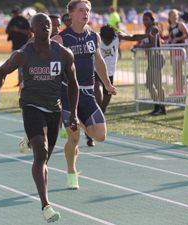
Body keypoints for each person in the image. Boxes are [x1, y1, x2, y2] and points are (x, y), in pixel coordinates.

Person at [0, 13, 79, 223]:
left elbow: (73, 83)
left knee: (45, 158)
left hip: (54, 109)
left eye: (48, 24)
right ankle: (46, 205)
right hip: (31, 106)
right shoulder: (24, 54)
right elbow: (1, 72)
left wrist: (72, 112)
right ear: (33, 30)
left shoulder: (64, 54)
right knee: (41, 152)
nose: (46, 27)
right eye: (41, 25)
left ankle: (30, 140)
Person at [52, 0, 117, 189]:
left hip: (88, 93)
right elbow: (52, 68)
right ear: (70, 14)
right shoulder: (60, 40)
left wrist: (107, 84)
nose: (85, 13)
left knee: (101, 135)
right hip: (67, 94)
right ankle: (71, 172)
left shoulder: (93, 37)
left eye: (87, 10)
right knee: (74, 138)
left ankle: (79, 122)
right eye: (81, 10)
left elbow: (98, 61)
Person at [95, 25, 147, 114]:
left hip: (110, 73)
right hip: (97, 71)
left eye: (110, 40)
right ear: (101, 36)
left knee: (104, 105)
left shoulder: (118, 36)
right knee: (98, 97)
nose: (107, 43)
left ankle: (100, 119)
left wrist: (147, 35)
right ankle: (94, 116)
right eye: (106, 40)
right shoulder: (96, 37)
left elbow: (132, 37)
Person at [136, 11, 166, 116]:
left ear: (152, 20)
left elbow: (153, 44)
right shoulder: (148, 29)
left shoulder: (153, 28)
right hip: (152, 59)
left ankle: (162, 108)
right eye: (143, 19)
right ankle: (157, 106)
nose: (144, 21)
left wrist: (140, 46)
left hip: (157, 58)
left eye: (146, 19)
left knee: (157, 84)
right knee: (148, 84)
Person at [6, 6, 32, 86]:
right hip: (15, 45)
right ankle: (20, 81)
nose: (15, 14)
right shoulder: (12, 20)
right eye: (14, 13)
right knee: (17, 65)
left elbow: (29, 32)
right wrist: (11, 30)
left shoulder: (24, 20)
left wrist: (18, 30)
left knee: (24, 65)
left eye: (16, 12)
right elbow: (7, 31)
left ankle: (25, 81)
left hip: (24, 45)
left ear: (19, 12)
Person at [167, 9, 188, 96]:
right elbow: (170, 38)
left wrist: (177, 39)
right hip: (172, 51)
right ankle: (177, 90)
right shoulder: (169, 27)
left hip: (180, 50)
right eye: (172, 16)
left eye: (176, 15)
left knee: (179, 71)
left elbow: (187, 35)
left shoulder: (181, 24)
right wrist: (167, 42)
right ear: (169, 17)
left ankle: (181, 90)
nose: (174, 17)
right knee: (175, 72)